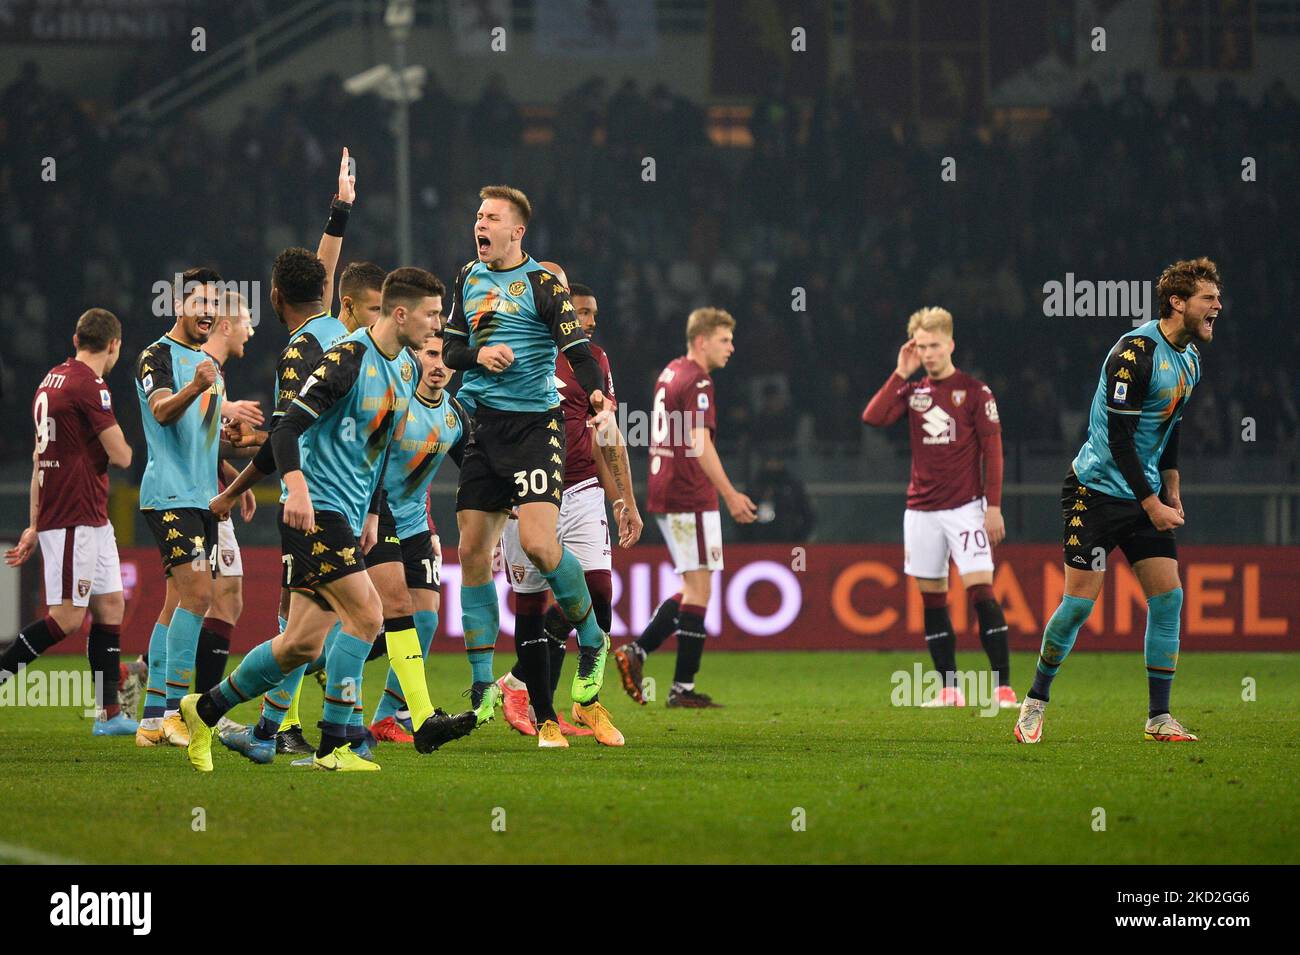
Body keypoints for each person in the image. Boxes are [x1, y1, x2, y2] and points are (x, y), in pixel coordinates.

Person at [186, 267, 476, 772]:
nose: (438, 327)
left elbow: (381, 447)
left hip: (347, 512)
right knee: (368, 614)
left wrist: (371, 511)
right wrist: (294, 487)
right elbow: (286, 427)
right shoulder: (348, 357)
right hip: (314, 507)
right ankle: (335, 746)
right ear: (401, 313)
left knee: (301, 643)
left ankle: (204, 708)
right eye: (432, 315)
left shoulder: (405, 369)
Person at [1014, 258, 1220, 744]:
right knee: (1078, 607)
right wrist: (1151, 503)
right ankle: (1035, 702)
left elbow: (1169, 426)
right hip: (1096, 493)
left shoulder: (1189, 359)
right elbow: (1122, 440)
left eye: (1216, 297)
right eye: (1208, 299)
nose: (1217, 306)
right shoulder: (1135, 354)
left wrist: (1171, 485)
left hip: (1145, 493)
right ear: (1177, 302)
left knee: (1168, 598)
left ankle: (1158, 718)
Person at [441, 185, 622, 738]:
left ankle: (591, 635)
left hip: (534, 428)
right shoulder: (467, 278)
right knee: (472, 549)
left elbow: (579, 353)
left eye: (491, 217)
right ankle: (479, 682)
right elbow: (450, 351)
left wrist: (597, 398)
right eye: (477, 215)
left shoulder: (543, 285)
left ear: (517, 231)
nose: (480, 223)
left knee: (543, 546)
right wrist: (479, 356)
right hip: (485, 429)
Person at [494, 274, 643, 748]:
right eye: (582, 313)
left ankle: (575, 696)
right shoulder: (509, 349)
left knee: (599, 591)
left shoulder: (593, 360)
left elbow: (605, 433)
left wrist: (624, 501)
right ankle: (544, 717)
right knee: (532, 608)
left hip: (579, 490)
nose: (590, 323)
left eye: (594, 315)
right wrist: (498, 494)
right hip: (526, 493)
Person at [861, 307, 1015, 709]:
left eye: (934, 345)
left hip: (966, 508)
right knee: (933, 599)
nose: (928, 353)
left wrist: (993, 506)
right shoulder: (914, 392)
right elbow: (872, 417)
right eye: (921, 346)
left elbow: (993, 453)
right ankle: (950, 689)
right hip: (921, 511)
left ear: (950, 343)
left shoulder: (976, 391)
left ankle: (1003, 688)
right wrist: (900, 371)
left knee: (981, 591)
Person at [1, 309, 136, 737]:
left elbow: (41, 460)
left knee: (110, 605)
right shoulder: (89, 385)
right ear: (113, 345)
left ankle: (109, 715)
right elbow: (122, 456)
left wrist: (32, 524)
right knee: (66, 618)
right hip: (73, 515)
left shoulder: (51, 379)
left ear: (76, 337)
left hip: (89, 516)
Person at [614, 308, 756, 709]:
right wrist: (729, 493)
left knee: (698, 587)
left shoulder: (670, 371)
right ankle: (678, 686)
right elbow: (699, 442)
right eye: (725, 339)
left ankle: (644, 657)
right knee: (700, 589)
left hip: (667, 488)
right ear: (702, 340)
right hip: (688, 491)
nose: (731, 347)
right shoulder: (698, 380)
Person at [133, 268, 227, 747]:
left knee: (175, 604)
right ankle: (175, 712)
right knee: (198, 595)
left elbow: (205, 434)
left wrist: (231, 479)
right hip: (169, 497)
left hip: (202, 499)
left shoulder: (209, 362)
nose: (209, 311)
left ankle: (150, 721)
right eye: (200, 302)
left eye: (215, 303)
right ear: (178, 305)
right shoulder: (158, 355)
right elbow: (162, 410)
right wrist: (197, 385)